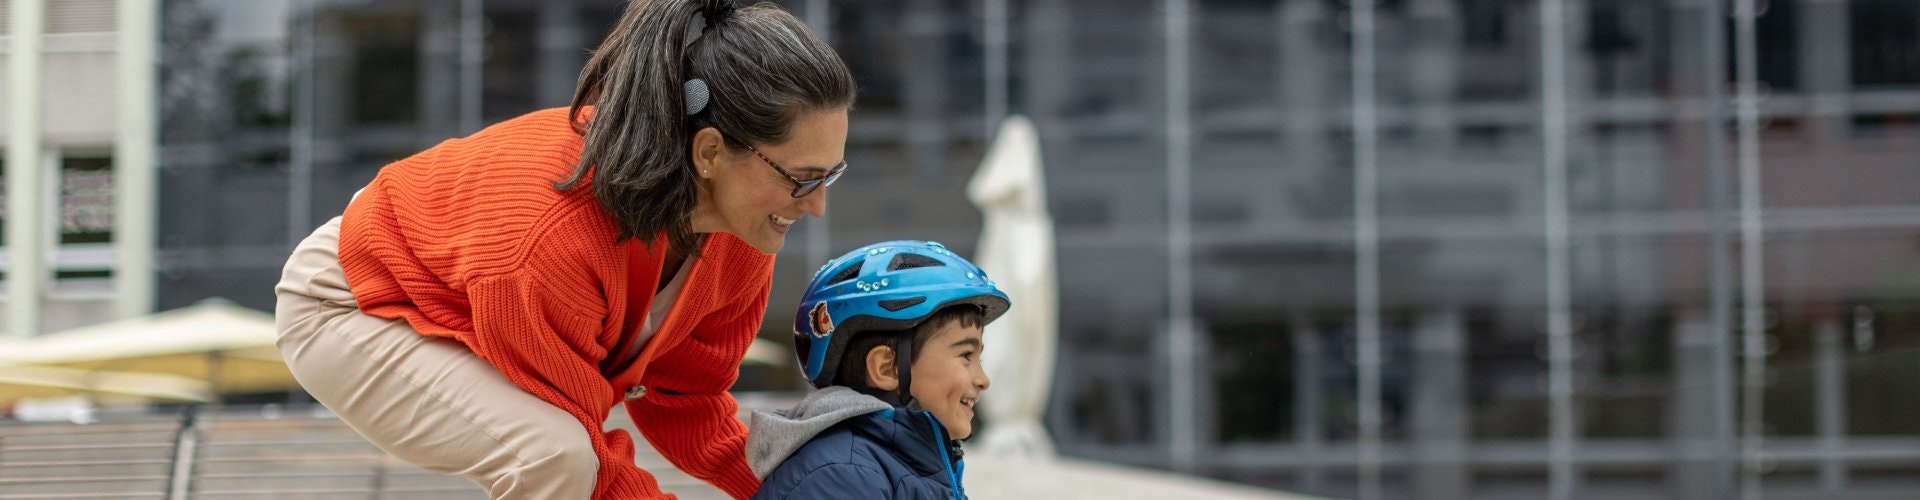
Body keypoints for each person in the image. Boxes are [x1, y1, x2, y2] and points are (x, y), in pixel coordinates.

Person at [271, 0, 855, 498]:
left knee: (560, 453)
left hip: (469, 292)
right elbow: (593, 466)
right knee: (552, 456)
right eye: (802, 178)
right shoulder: (549, 235)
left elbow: (687, 398)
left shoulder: (744, 227)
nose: (816, 206)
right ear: (708, 153)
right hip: (351, 300)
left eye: (830, 177)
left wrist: (810, 484)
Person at [745, 240, 1011, 499]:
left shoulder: (903, 466)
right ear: (886, 368)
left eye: (979, 358)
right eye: (966, 355)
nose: (983, 380)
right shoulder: (841, 475)